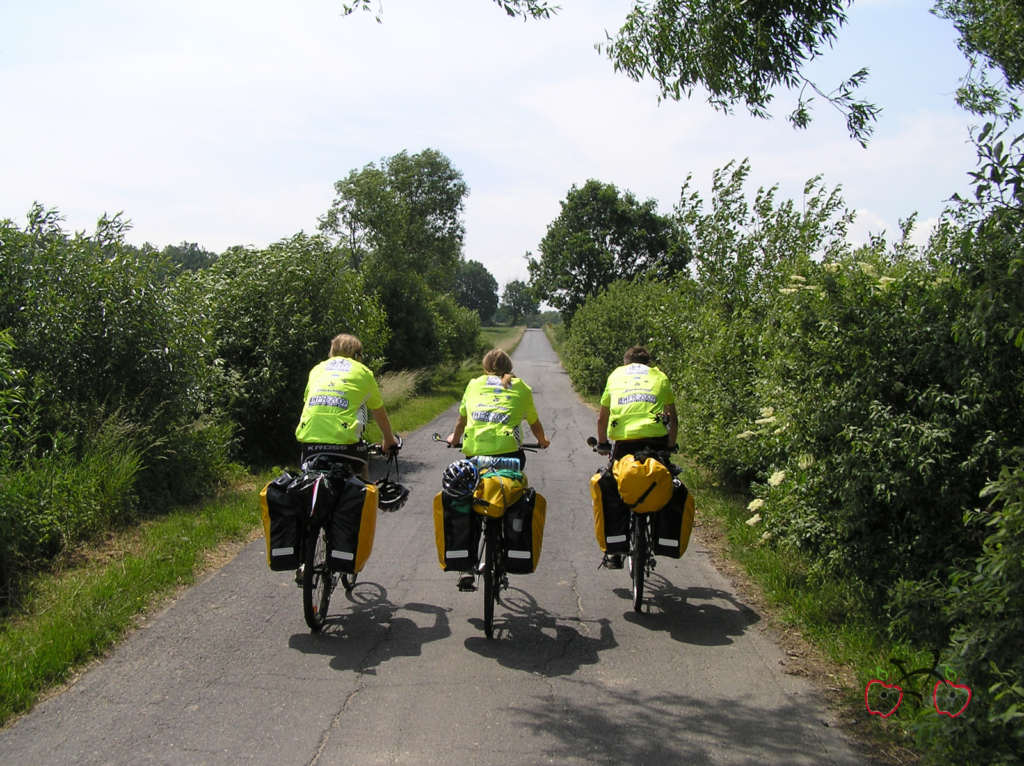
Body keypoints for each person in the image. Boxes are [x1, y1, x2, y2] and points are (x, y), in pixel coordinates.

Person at [445, 348, 549, 589]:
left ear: (485, 367)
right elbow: (534, 423)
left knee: (469, 501)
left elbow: (462, 419)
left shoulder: (473, 385)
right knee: (513, 496)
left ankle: (465, 567)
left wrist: (454, 438)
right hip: (510, 456)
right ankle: (507, 545)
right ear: (509, 367)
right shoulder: (520, 387)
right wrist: (542, 440)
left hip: (476, 457)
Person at [595, 345, 677, 568]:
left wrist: (603, 443)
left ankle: (614, 549)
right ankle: (662, 536)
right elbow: (673, 417)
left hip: (625, 442)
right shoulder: (659, 376)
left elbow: (603, 418)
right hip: (655, 440)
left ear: (626, 362)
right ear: (648, 363)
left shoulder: (616, 375)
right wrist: (670, 445)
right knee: (666, 480)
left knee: (614, 486)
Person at [295, 333, 398, 481]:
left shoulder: (317, 370)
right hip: (345, 443)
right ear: (357, 355)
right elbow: (378, 410)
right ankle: (364, 498)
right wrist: (389, 439)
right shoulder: (362, 372)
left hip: (309, 443)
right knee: (362, 471)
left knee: (308, 481)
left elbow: (310, 402)